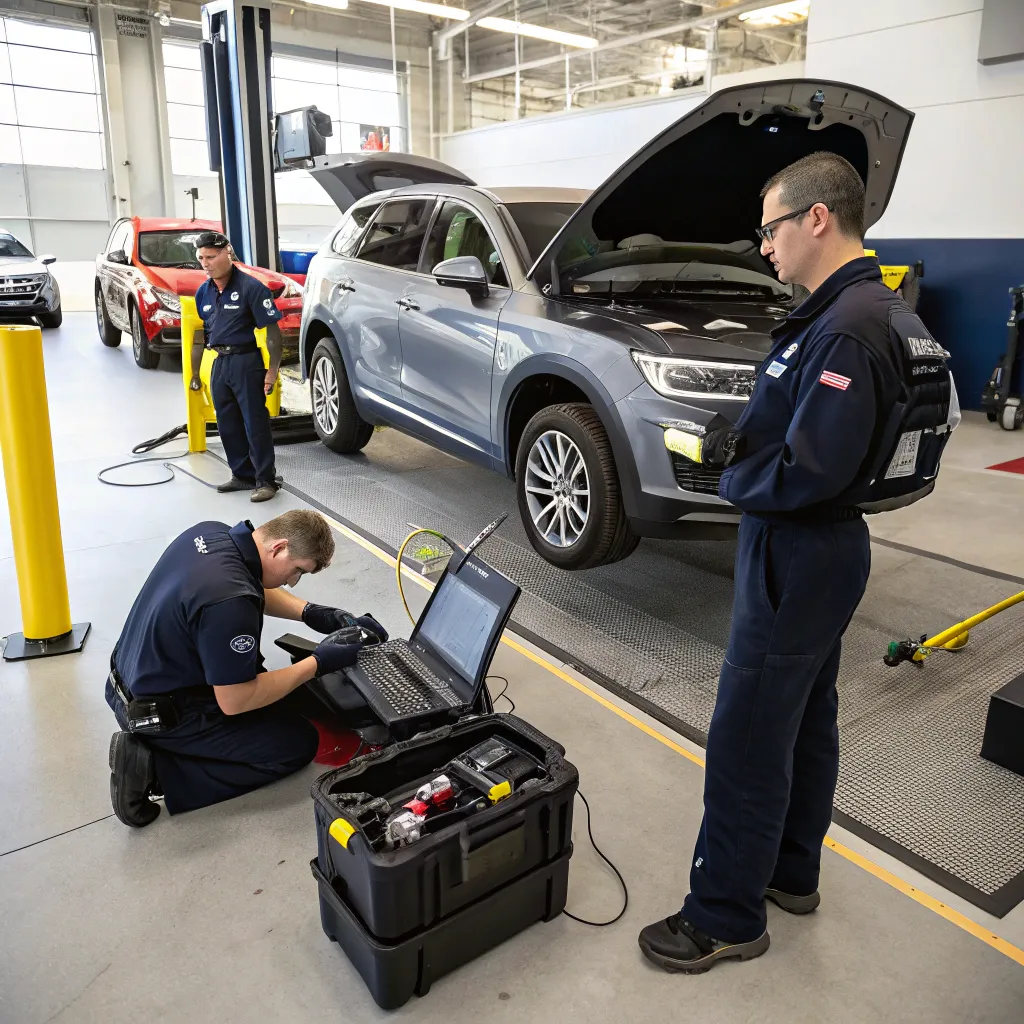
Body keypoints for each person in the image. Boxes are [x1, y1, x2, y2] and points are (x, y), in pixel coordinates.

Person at [639, 152, 926, 972]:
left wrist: (730, 470)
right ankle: (793, 873)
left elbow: (812, 470)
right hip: (826, 549)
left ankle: (725, 914)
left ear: (816, 220)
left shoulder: (844, 325)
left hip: (797, 546)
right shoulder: (873, 308)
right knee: (803, 716)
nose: (764, 246)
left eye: (769, 229)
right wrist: (755, 432)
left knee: (748, 733)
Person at [106, 510, 389, 827]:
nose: (293, 581)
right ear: (278, 547)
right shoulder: (230, 602)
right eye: (297, 571)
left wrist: (312, 613)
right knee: (296, 744)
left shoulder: (211, 534)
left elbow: (251, 584)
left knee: (280, 695)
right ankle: (156, 771)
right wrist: (320, 661)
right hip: (161, 716)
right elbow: (235, 700)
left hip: (127, 678)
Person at [190, 230, 282, 503]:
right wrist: (196, 373)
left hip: (246, 362)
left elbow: (272, 332)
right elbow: (201, 334)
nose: (205, 263)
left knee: (255, 422)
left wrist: (272, 370)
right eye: (201, 258)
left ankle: (265, 480)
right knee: (227, 421)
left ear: (227, 253)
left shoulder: (252, 288)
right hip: (220, 362)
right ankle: (242, 475)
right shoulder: (203, 292)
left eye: (211, 256)